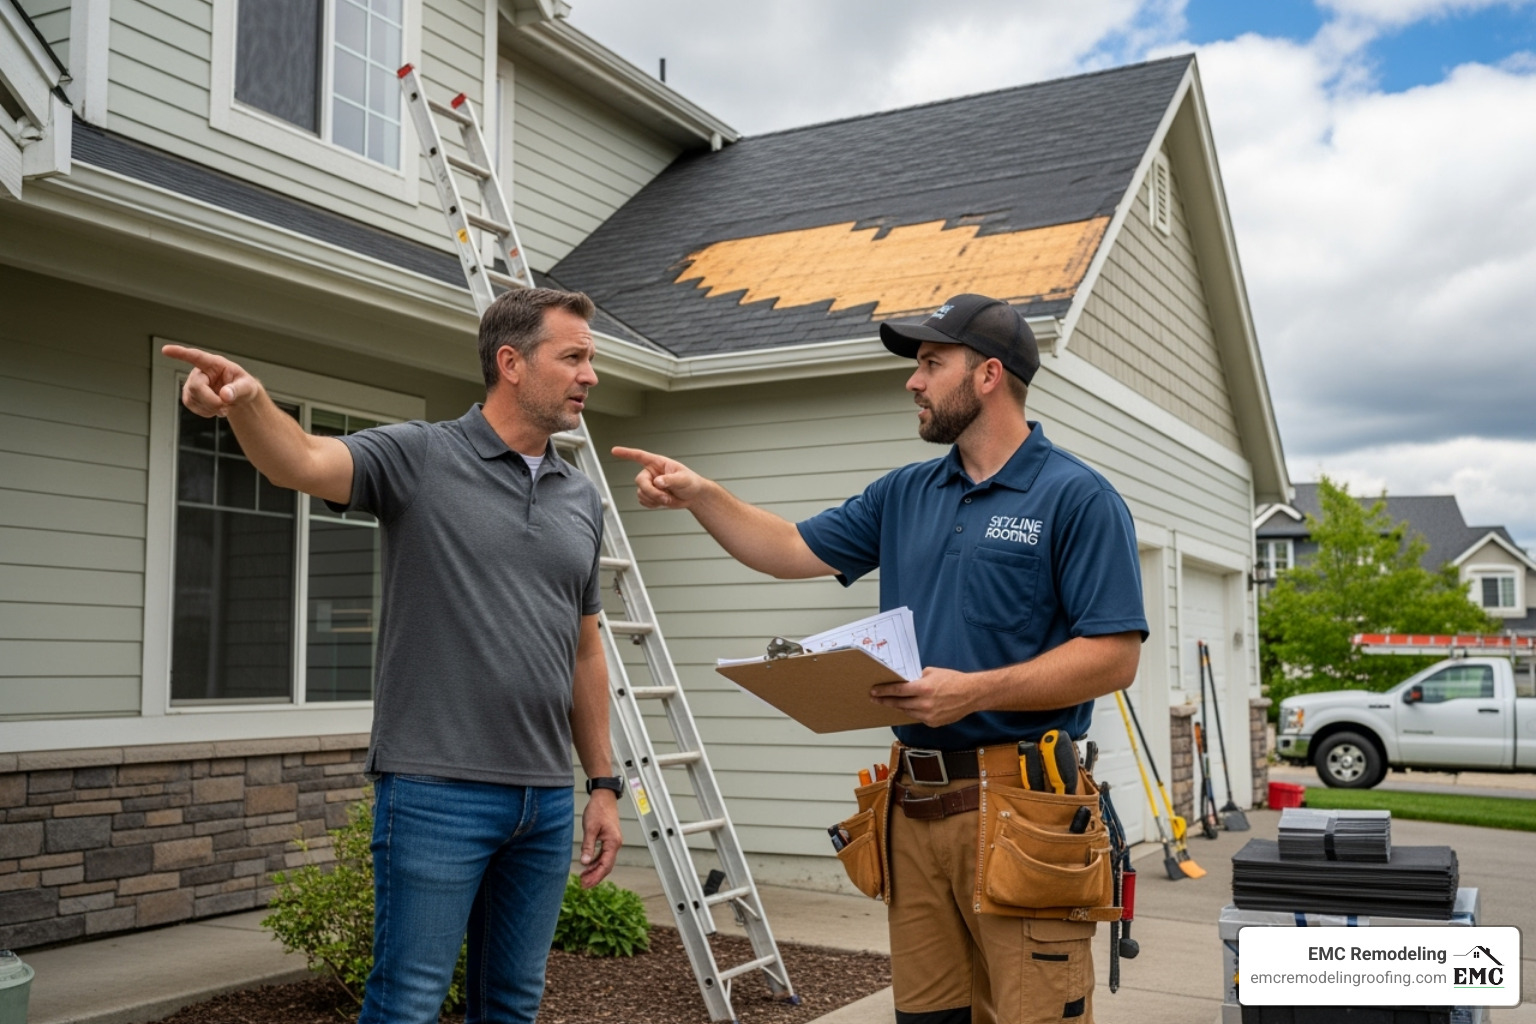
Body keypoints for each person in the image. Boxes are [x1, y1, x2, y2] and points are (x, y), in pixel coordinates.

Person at [613, 293, 1147, 1024]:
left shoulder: (1076, 498)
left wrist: (975, 691)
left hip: (1023, 812)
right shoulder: (906, 492)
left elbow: (1115, 657)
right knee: (927, 1018)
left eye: (932, 363)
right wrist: (701, 494)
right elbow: (790, 549)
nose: (913, 381)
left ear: (988, 375)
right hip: (914, 808)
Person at [164, 287, 624, 1024]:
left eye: (590, 358)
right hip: (437, 790)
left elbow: (585, 648)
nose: (590, 375)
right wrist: (247, 402)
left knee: (513, 1005)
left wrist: (603, 783)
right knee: (406, 1004)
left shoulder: (581, 498)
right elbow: (303, 460)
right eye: (573, 357)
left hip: (544, 798)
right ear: (511, 362)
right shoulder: (421, 456)